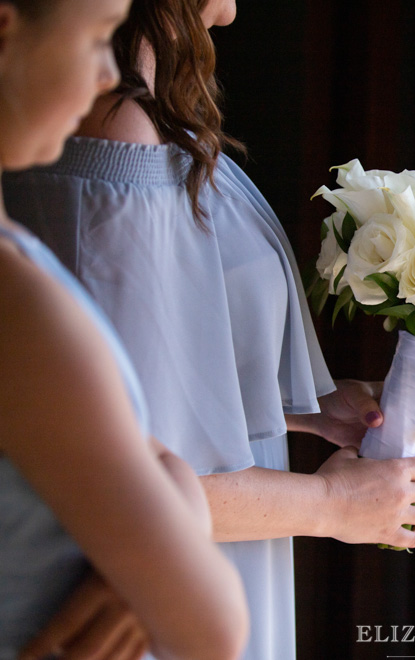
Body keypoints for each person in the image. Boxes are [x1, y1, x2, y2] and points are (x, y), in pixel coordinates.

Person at [3, 0, 415, 658]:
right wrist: (332, 503)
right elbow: (142, 467)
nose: (104, 69)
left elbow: (152, 376)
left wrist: (312, 410)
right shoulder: (119, 136)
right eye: (98, 31)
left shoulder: (154, 114)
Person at [0, 0, 250, 658]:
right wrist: (177, 505)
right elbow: (214, 627)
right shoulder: (21, 311)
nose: (108, 74)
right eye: (94, 36)